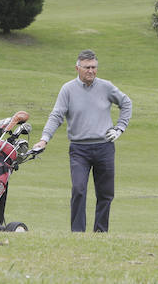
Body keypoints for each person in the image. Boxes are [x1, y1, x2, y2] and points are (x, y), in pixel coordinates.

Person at [32, 50, 132, 232]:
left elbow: (126, 103)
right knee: (78, 189)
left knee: (106, 193)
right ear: (77, 68)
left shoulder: (106, 87)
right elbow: (56, 116)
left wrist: (120, 128)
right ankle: (77, 233)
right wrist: (44, 139)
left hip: (105, 147)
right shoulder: (68, 89)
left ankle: (100, 232)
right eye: (87, 67)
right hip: (79, 149)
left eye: (94, 67)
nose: (91, 71)